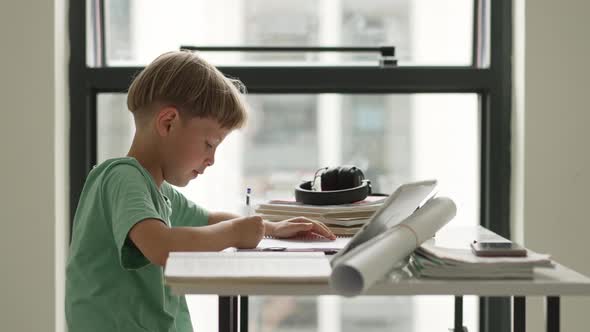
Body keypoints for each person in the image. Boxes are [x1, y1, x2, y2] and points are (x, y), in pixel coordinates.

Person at [65, 50, 336, 332]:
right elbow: (160, 246)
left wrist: (270, 227)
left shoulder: (158, 192)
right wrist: (236, 233)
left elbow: (207, 220)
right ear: (168, 122)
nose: (212, 159)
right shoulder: (122, 177)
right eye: (209, 144)